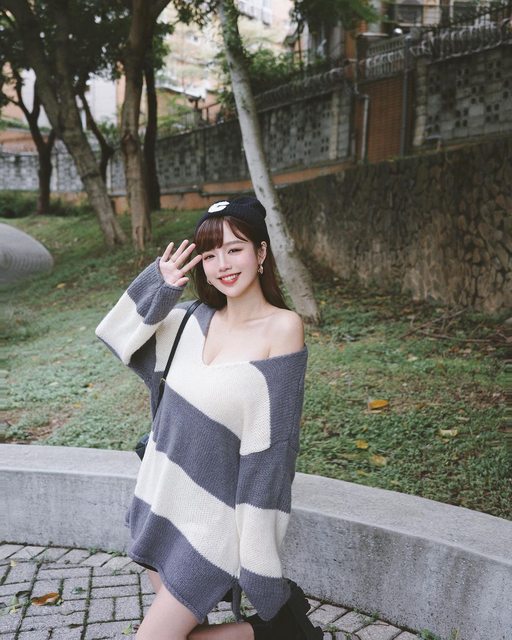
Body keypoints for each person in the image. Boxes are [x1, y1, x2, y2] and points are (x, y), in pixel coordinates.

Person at [95, 197, 322, 640]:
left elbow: (273, 450)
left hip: (214, 522)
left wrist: (257, 549)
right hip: (161, 500)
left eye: (235, 249)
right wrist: (158, 284)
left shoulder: (282, 328)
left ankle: (275, 634)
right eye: (211, 253)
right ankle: (279, 632)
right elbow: (117, 336)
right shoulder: (187, 320)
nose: (223, 265)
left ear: (261, 252)